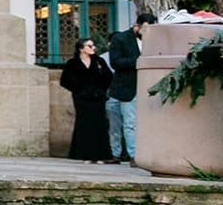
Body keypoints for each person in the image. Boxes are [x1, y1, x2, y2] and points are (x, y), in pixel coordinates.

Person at [107, 12, 156, 164]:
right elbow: (116, 62)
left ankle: (133, 155)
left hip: (139, 87)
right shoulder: (120, 38)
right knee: (115, 125)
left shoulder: (153, 40)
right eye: (145, 29)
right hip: (122, 86)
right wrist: (139, 60)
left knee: (130, 123)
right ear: (137, 26)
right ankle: (116, 154)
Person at [60, 38, 114, 163]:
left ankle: (101, 155)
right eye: (89, 46)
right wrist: (79, 90)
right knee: (84, 124)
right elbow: (65, 80)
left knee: (99, 124)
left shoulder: (99, 61)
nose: (93, 48)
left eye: (93, 45)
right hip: (82, 98)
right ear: (81, 48)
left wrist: (101, 90)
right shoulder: (72, 63)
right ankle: (85, 155)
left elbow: (108, 76)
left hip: (97, 97)